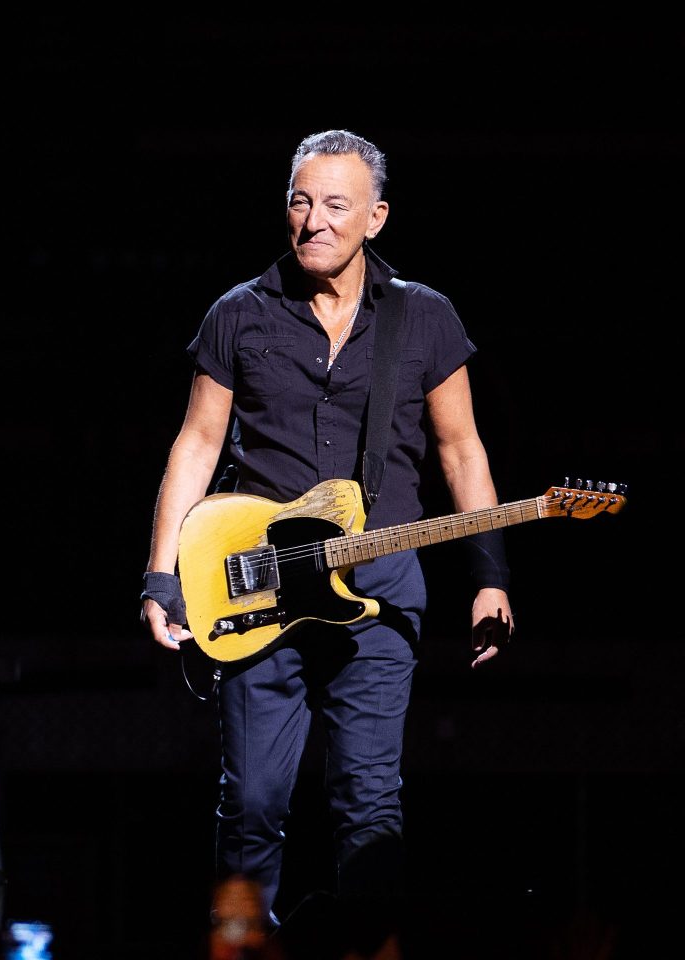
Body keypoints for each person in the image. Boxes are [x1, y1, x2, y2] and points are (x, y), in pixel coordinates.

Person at [139, 129, 515, 927]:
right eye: (301, 202)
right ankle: (241, 948)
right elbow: (197, 445)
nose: (313, 220)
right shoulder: (239, 314)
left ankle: (366, 950)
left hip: (377, 587)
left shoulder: (425, 318)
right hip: (256, 581)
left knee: (370, 806)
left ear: (375, 218)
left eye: (335, 205)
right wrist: (162, 578)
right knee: (252, 805)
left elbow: (461, 450)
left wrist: (489, 577)